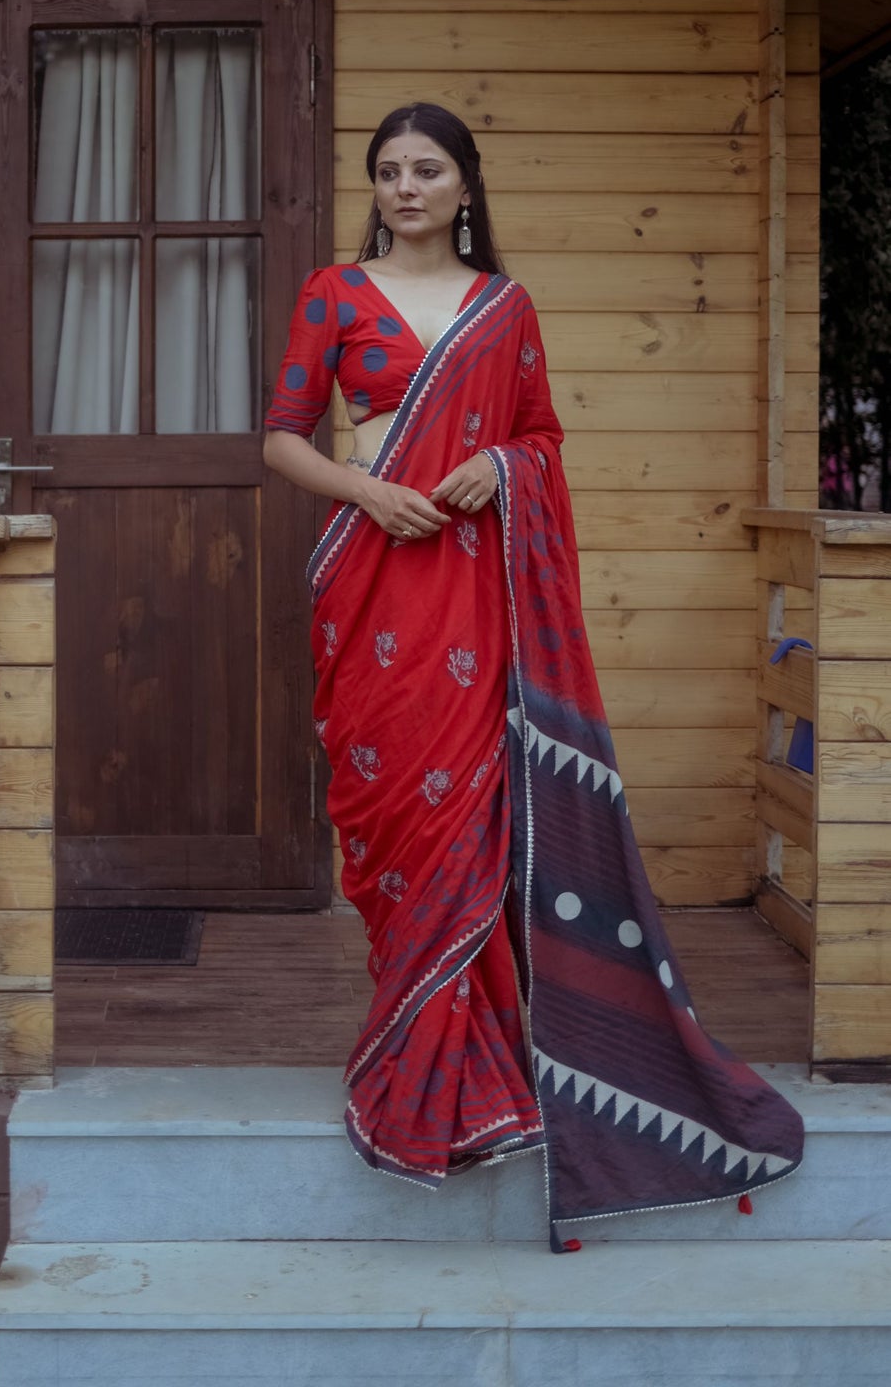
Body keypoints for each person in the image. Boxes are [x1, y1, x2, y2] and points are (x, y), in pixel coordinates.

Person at [263, 101, 802, 1250]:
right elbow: (281, 435)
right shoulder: (331, 290)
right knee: (394, 825)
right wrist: (366, 489)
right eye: (388, 170)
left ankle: (474, 1069)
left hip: (471, 592)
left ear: (465, 187)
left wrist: (496, 466)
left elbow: (544, 436)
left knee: (467, 821)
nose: (404, 187)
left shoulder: (502, 309)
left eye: (427, 169)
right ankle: (409, 1041)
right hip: (369, 591)